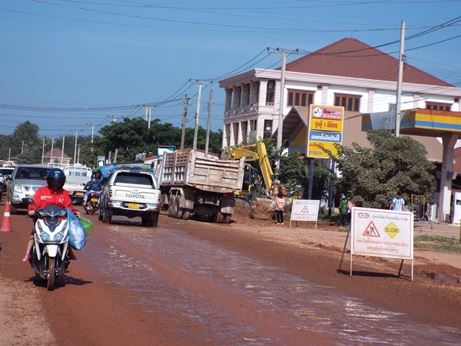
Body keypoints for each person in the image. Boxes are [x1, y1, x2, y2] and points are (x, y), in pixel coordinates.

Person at [22, 168, 79, 262]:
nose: (56, 183)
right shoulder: (41, 192)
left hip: (60, 221)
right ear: (49, 181)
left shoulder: (64, 194)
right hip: (42, 220)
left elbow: (69, 206)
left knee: (66, 236)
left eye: (58, 181)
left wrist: (75, 212)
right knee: (33, 234)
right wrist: (32, 210)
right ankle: (28, 254)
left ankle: (69, 252)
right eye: (54, 181)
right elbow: (33, 203)